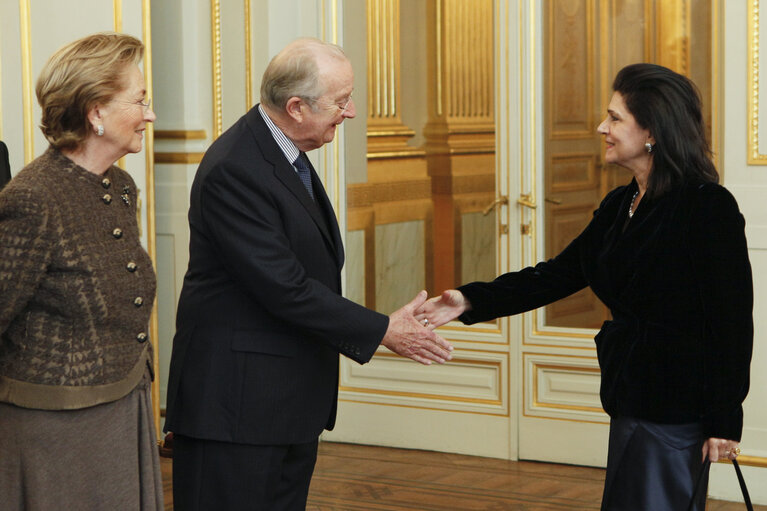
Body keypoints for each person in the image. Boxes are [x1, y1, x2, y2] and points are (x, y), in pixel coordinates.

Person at [418, 63, 753, 510]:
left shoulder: (707, 207)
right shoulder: (621, 203)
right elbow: (558, 274)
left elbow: (731, 322)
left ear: (652, 129)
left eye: (615, 118)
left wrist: (724, 418)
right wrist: (470, 299)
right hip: (630, 396)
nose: (602, 127)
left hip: (678, 408)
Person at [164, 37, 454, 511]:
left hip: (283, 403)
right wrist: (383, 330)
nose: (352, 111)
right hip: (237, 407)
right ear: (296, 107)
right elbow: (284, 287)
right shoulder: (236, 167)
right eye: (341, 101)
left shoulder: (282, 153)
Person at [0, 33, 161, 509]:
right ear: (95, 113)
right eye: (139, 100)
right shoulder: (33, 199)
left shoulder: (121, 185)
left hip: (122, 406)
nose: (150, 114)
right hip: (53, 429)